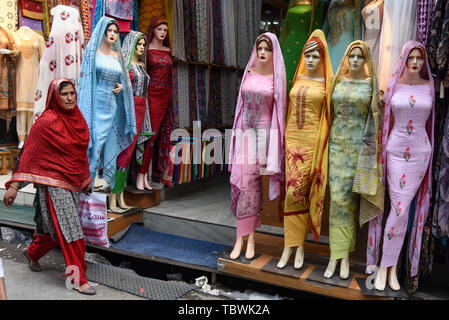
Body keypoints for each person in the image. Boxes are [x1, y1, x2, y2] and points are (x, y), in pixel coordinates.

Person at [3, 79, 95, 295]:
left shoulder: (78, 119)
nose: (70, 98)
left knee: (52, 230)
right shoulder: (46, 121)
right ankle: (79, 279)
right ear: (55, 96)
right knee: (71, 230)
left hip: (72, 182)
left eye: (72, 93)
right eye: (64, 94)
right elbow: (30, 156)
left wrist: (85, 178)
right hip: (52, 184)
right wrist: (15, 187)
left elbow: (79, 153)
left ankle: (32, 253)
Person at [371, 41, 434, 291]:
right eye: (411, 58)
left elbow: (431, 125)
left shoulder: (430, 86)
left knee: (403, 210)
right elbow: (386, 120)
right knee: (397, 208)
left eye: (419, 58)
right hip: (396, 151)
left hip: (420, 153)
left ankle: (390, 268)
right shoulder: (393, 84)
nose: (415, 62)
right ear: (404, 59)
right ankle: (385, 266)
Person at [325, 41, 383, 279]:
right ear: (347, 59)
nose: (355, 60)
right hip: (336, 146)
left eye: (360, 56)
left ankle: (345, 257)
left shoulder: (371, 86)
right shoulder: (337, 82)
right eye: (352, 56)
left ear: (366, 59)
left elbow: (375, 118)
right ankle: (334, 255)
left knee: (348, 201)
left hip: (358, 150)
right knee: (336, 200)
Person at [278, 29, 333, 269]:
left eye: (315, 56)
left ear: (322, 59)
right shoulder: (298, 78)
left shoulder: (326, 84)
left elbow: (327, 117)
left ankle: (297, 245)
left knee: (299, 193)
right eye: (307, 56)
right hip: (292, 141)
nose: (310, 60)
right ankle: (290, 245)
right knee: (291, 194)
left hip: (312, 143)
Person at [229, 33, 286, 260]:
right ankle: (243, 237)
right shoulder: (249, 73)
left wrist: (274, 144)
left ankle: (247, 237)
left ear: (274, 53)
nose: (262, 52)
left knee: (251, 184)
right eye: (260, 48)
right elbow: (240, 105)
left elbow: (279, 113)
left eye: (267, 49)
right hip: (244, 132)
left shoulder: (276, 78)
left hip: (263, 135)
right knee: (243, 184)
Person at [77, 17, 136, 190]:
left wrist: (121, 86)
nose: (112, 34)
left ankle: (105, 182)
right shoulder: (92, 53)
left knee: (109, 140)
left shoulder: (118, 56)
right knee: (95, 141)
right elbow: (85, 80)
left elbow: (124, 79)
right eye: (109, 31)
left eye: (115, 32)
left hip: (112, 106)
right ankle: (88, 180)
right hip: (95, 105)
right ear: (102, 32)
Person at [109, 31, 153, 211]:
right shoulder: (124, 65)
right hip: (129, 109)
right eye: (138, 44)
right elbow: (117, 85)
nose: (141, 48)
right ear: (131, 45)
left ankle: (120, 196)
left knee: (129, 154)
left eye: (143, 45)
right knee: (123, 152)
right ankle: (113, 197)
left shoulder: (142, 65)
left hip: (142, 109)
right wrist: (120, 87)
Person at [136, 17, 173, 191]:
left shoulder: (168, 49)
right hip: (150, 94)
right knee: (147, 135)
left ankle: (144, 175)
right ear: (154, 30)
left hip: (164, 95)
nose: (163, 33)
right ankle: (139, 175)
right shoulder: (146, 49)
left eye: (165, 30)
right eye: (160, 29)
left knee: (155, 136)